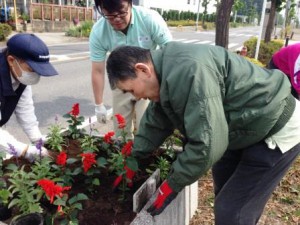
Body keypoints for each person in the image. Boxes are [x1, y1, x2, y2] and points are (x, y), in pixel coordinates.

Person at [106, 42, 300, 224]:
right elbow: (158, 118)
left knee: (232, 210)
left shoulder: (189, 72)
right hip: (244, 125)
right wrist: (135, 156)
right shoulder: (165, 69)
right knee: (224, 189)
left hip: (277, 128)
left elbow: (208, 144)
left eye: (132, 90)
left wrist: (173, 183)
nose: (136, 97)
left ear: (143, 69)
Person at [89, 0, 172, 138]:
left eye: (121, 12)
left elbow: (170, 51)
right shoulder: (99, 31)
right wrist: (99, 105)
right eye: (109, 15)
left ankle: (145, 155)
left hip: (148, 79)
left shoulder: (149, 19)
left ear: (130, 4)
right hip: (121, 82)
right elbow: (97, 70)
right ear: (102, 10)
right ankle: (125, 155)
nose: (116, 19)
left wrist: (166, 89)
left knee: (146, 127)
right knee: (120, 131)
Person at [0, 33, 59, 161]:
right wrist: (25, 150)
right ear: (11, 60)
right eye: (32, 69)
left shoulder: (19, 74)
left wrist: (37, 139)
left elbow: (24, 108)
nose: (35, 74)